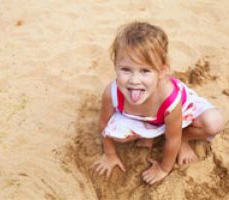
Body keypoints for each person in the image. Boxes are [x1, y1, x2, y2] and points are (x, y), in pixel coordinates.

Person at [94, 21, 223, 185]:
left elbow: (172, 139)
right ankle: (150, 134)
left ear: (161, 71)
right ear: (116, 66)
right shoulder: (111, 93)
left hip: (175, 115)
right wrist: (110, 154)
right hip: (147, 119)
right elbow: (103, 125)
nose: (134, 81)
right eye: (126, 70)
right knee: (116, 135)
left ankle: (185, 138)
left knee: (213, 123)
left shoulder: (169, 100)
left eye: (145, 71)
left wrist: (163, 168)